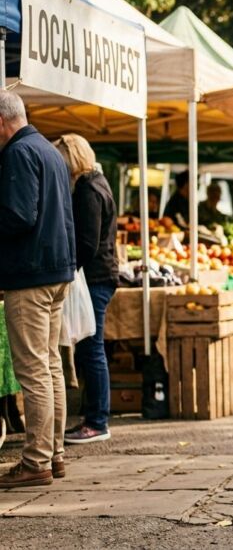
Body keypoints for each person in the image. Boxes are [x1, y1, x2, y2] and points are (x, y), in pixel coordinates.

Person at [0, 91, 75, 488]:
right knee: (49, 365)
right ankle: (54, 453)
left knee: (34, 371)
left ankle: (36, 461)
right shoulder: (49, 150)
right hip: (56, 270)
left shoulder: (17, 153)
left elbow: (18, 215)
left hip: (30, 273)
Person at [55, 135, 118, 445]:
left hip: (95, 277)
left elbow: (88, 244)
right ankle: (95, 417)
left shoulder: (88, 189)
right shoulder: (100, 182)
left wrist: (68, 267)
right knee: (93, 346)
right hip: (102, 275)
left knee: (92, 348)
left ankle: (97, 421)